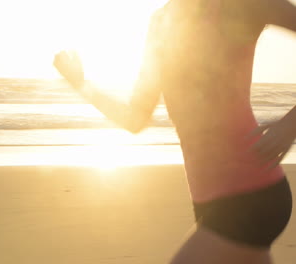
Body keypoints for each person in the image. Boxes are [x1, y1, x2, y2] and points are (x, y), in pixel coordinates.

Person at [53, 0, 296, 263]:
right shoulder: (161, 22)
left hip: (251, 195)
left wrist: (291, 124)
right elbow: (135, 118)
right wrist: (82, 85)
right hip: (209, 203)